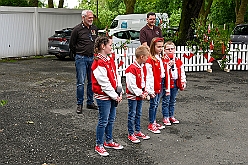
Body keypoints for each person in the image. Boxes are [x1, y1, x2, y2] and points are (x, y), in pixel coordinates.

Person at [91, 36, 123, 156]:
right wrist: (115, 95)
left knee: (111, 119)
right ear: (103, 46)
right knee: (103, 120)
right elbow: (104, 83)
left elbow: (116, 75)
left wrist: (119, 90)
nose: (111, 47)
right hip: (104, 96)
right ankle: (99, 144)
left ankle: (109, 141)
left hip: (112, 95)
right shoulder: (98, 63)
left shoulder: (109, 59)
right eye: (110, 45)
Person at [69, 10, 98, 114]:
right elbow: (72, 45)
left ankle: (90, 102)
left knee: (91, 82)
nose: (91, 19)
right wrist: (78, 53)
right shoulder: (77, 30)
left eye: (92, 18)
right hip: (81, 58)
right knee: (80, 82)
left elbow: (96, 42)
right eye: (89, 18)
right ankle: (79, 104)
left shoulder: (94, 29)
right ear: (83, 17)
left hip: (92, 58)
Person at [125, 45, 151, 143]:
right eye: (146, 57)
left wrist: (144, 91)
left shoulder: (141, 67)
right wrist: (140, 93)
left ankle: (137, 131)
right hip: (133, 95)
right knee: (132, 113)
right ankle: (131, 133)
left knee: (138, 113)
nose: (147, 59)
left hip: (139, 95)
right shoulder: (131, 69)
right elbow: (131, 85)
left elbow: (143, 80)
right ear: (142, 57)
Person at [145, 37, 170, 134]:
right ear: (153, 47)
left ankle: (154, 121)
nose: (161, 49)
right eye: (158, 47)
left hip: (161, 81)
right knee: (153, 103)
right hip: (155, 83)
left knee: (156, 103)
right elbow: (149, 76)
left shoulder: (161, 58)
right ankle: (151, 123)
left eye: (162, 47)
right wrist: (149, 89)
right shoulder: (150, 59)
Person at [162, 41, 186, 125]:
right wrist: (168, 65)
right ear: (164, 50)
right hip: (167, 83)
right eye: (168, 49)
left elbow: (182, 71)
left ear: (175, 49)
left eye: (172, 49)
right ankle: (166, 116)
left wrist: (183, 81)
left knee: (173, 100)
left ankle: (171, 115)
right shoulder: (163, 60)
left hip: (175, 82)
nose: (170, 51)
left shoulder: (178, 60)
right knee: (166, 100)